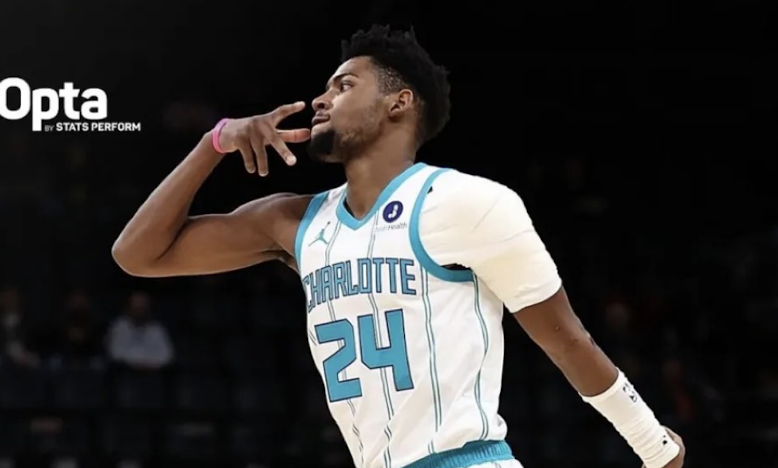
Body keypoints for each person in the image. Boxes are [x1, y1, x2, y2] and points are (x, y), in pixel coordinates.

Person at [112, 24, 685, 468]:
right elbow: (138, 255)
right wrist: (214, 142)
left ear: (399, 103)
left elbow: (567, 340)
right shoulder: (294, 221)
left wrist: (652, 445)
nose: (320, 99)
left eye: (343, 85)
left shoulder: (467, 202)